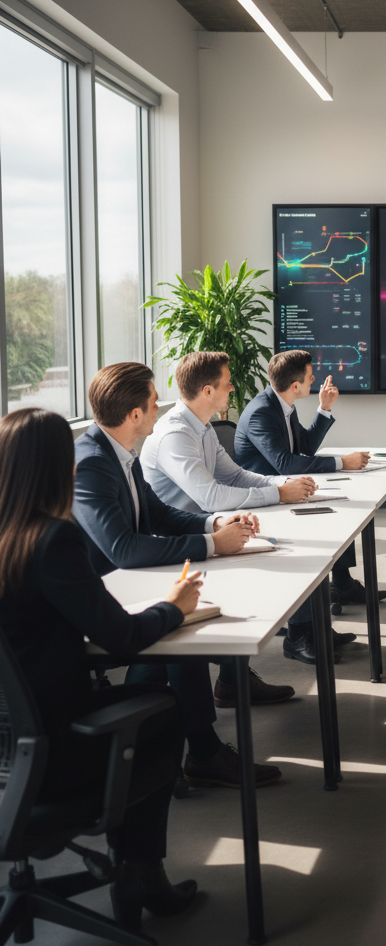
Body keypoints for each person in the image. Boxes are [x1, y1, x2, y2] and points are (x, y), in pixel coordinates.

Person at [0, 407, 199, 929]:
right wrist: (175, 607)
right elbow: (123, 637)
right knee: (165, 709)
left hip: (6, 753)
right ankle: (139, 875)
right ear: (56, 469)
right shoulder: (51, 540)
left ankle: (137, 873)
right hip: (48, 755)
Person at [74, 362, 291, 789]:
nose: (160, 408)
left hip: (130, 583)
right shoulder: (93, 462)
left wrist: (216, 525)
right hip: (104, 595)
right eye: (154, 402)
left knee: (183, 621)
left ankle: (170, 745)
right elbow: (122, 549)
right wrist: (214, 545)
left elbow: (158, 514)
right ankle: (201, 751)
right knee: (180, 629)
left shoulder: (122, 451)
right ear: (134, 414)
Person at [140, 351, 355, 665]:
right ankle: (296, 638)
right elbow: (210, 497)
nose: (232, 388)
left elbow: (236, 475)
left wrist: (281, 486)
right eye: (227, 383)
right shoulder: (176, 434)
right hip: (184, 538)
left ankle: (311, 630)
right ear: (207, 391)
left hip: (208, 524)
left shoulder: (202, 427)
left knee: (303, 538)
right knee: (292, 547)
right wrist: (278, 494)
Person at [233, 349, 386, 613]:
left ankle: (342, 584)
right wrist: (342, 462)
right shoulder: (262, 412)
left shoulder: (283, 405)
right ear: (295, 386)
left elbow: (305, 447)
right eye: (310, 375)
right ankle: (324, 595)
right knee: (334, 510)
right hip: (265, 494)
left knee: (341, 504)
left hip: (287, 485)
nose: (314, 378)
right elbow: (285, 464)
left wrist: (324, 408)